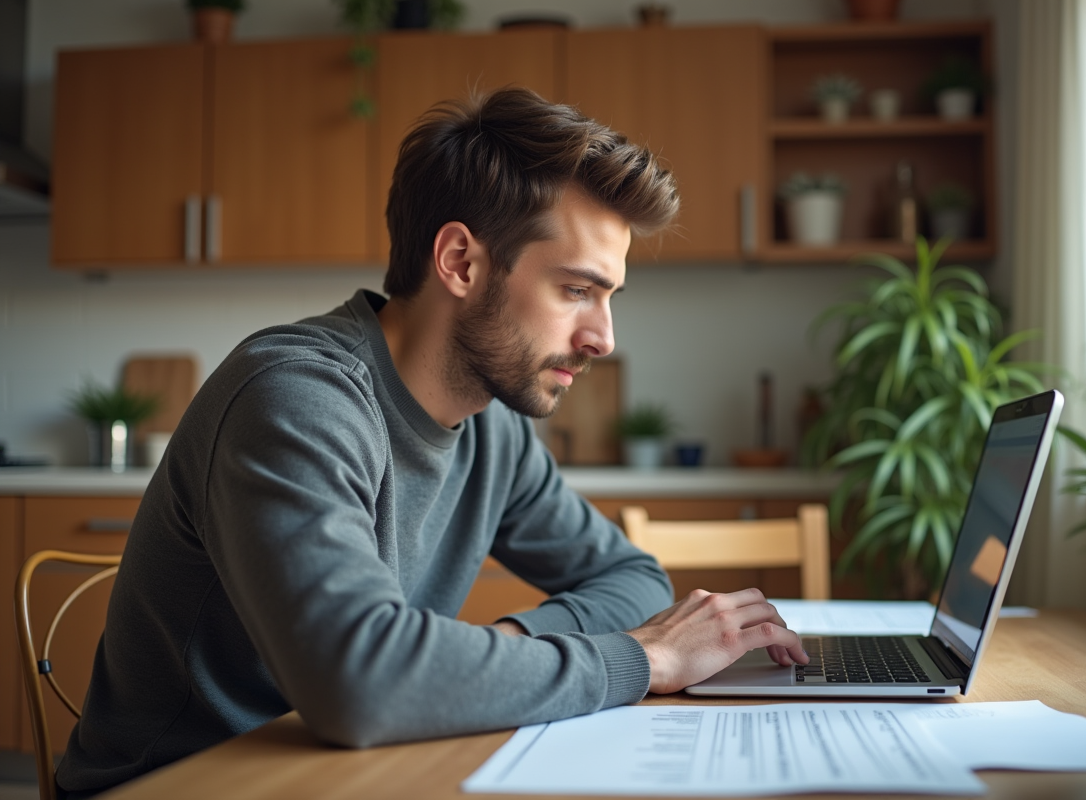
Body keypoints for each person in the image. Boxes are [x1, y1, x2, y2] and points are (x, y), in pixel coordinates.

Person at [55, 87, 807, 798]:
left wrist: (496, 650)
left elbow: (631, 578)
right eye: (577, 290)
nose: (604, 338)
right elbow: (360, 685)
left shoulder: (493, 428)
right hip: (190, 784)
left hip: (355, 769)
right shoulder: (294, 399)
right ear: (460, 262)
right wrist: (645, 658)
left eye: (608, 296)